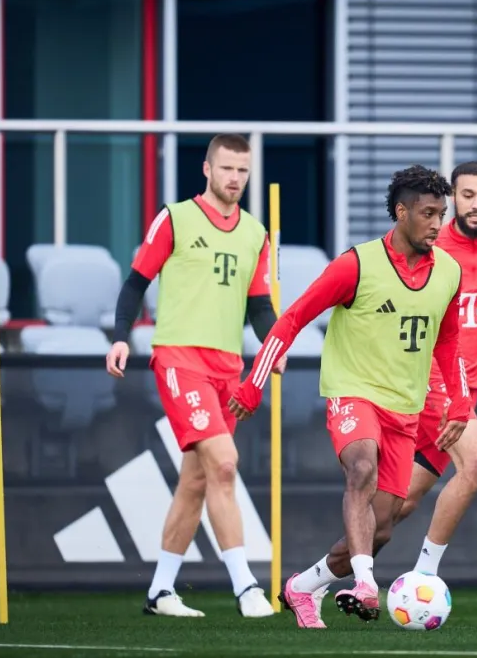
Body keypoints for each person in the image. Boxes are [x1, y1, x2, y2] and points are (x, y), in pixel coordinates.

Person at [308, 161, 477, 617]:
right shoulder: (431, 242)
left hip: (463, 395)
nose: (476, 204)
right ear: (452, 197)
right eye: (468, 195)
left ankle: (309, 582)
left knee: (389, 518)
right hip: (427, 386)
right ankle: (425, 576)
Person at [228, 164, 471, 629]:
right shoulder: (356, 264)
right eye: (428, 213)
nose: (438, 224)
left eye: (443, 214)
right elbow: (293, 317)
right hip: (352, 392)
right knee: (361, 465)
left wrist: (459, 404)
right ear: (401, 213)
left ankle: (303, 586)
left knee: (381, 528)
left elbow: (448, 341)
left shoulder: (449, 273)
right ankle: (365, 585)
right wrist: (254, 380)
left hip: (406, 407)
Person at [105, 133, 283, 619]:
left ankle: (160, 591)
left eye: (243, 171)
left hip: (230, 367)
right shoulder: (176, 217)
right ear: (206, 169)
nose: (235, 179)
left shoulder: (255, 232)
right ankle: (247, 588)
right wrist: (121, 335)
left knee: (198, 479)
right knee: (224, 463)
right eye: (226, 168)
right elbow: (136, 281)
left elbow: (260, 305)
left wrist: (274, 344)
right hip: (180, 359)